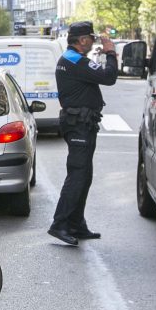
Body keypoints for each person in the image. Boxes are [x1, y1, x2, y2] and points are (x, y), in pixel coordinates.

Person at [47, 21, 118, 246]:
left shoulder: (71, 59)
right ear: (83, 40)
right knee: (78, 174)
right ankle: (59, 224)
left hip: (82, 123)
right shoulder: (75, 60)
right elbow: (109, 77)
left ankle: (76, 224)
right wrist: (110, 52)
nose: (93, 41)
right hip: (78, 124)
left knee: (84, 175)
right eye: (91, 37)